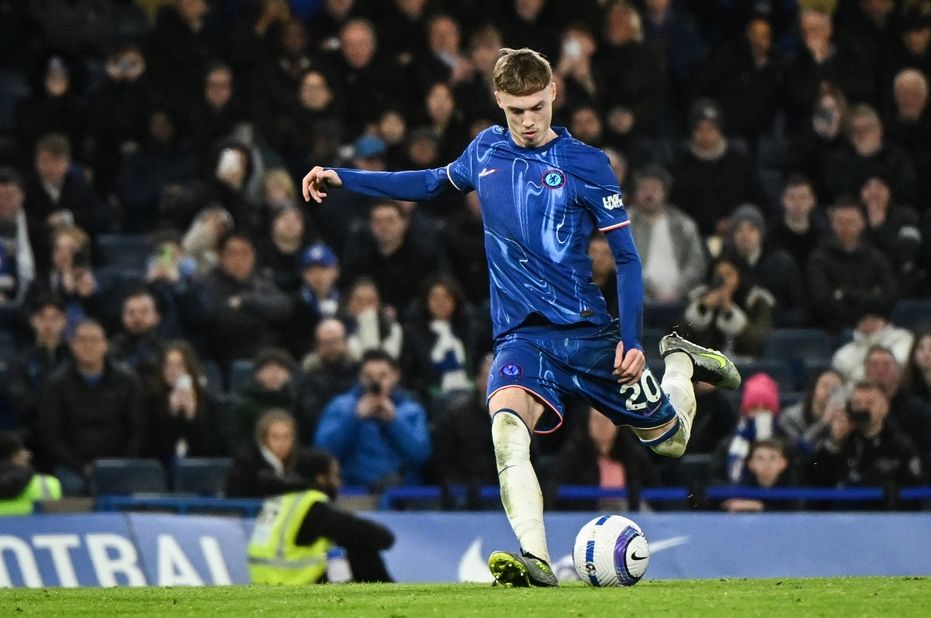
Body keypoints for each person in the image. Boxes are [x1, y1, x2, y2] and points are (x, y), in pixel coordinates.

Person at [301, 47, 741, 587]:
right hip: (521, 338)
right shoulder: (485, 149)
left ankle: (678, 362)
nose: (528, 122)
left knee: (671, 441)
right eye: (515, 111)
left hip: (588, 334)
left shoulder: (587, 164)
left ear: (553, 92)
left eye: (536, 107)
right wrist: (345, 177)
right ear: (498, 104)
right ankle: (534, 559)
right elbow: (428, 183)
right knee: (507, 428)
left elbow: (626, 259)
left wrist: (632, 341)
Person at [247, 448, 394, 584]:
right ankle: (390, 599)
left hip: (266, 579)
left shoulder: (282, 500)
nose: (339, 483)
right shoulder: (311, 505)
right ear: (321, 479)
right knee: (359, 546)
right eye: (335, 476)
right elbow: (381, 537)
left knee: (335, 549)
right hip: (288, 581)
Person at [37, 319, 146, 495]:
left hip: (118, 463)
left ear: (105, 345)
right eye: (82, 340)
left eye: (94, 340)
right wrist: (80, 466)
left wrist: (122, 464)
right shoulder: (56, 384)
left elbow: (138, 429)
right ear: (72, 346)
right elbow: (51, 435)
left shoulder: (128, 381)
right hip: (72, 466)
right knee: (71, 487)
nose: (88, 345)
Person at [313, 349, 432, 490]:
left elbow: (421, 455)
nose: (376, 382)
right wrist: (354, 418)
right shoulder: (341, 406)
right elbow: (323, 452)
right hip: (353, 490)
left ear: (396, 376)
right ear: (360, 377)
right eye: (368, 376)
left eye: (383, 376)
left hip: (401, 492)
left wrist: (394, 421)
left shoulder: (412, 410)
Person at [225, 409, 304, 499]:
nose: (282, 443)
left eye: (287, 437)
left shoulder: (302, 463)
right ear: (264, 439)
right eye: (275, 437)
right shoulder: (246, 465)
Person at [0, 431, 61, 516]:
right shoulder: (47, 484)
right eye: (23, 451)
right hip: (37, 528)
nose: (27, 455)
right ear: (16, 455)